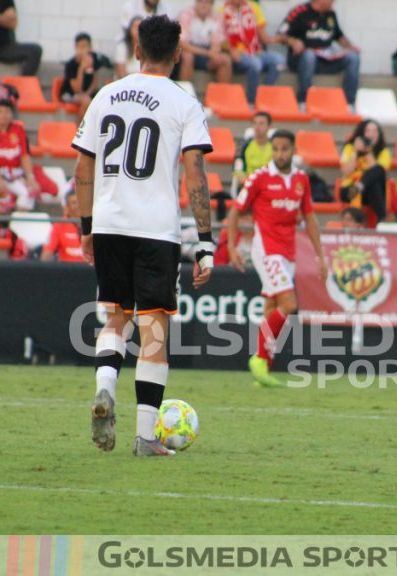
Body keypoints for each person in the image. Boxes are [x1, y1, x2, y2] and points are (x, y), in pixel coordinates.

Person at [71, 15, 215, 457]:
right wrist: (205, 241)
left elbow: (82, 169)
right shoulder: (183, 102)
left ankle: (105, 389)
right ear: (177, 55)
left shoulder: (106, 95)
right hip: (156, 230)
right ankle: (145, 437)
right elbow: (195, 171)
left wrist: (87, 228)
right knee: (154, 332)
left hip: (111, 223)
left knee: (115, 318)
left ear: (137, 50)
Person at [226, 129, 325, 388]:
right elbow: (236, 213)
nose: (281, 153)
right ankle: (259, 358)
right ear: (272, 150)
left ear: (293, 150)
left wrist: (320, 256)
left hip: (288, 252)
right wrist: (232, 247)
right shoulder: (259, 178)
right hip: (266, 249)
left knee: (272, 307)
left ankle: (263, 371)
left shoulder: (301, 180)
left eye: (285, 149)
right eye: (276, 149)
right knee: (289, 304)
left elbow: (310, 218)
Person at [282, 0, 361, 108]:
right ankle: (303, 101)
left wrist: (350, 47)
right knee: (309, 55)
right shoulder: (300, 11)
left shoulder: (330, 14)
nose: (333, 3)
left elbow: (338, 35)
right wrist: (293, 42)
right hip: (301, 60)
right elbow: (281, 34)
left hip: (325, 58)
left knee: (353, 57)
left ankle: (348, 103)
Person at [0, 99, 40, 211]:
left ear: (12, 115)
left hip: (12, 173)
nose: (4, 115)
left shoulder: (19, 130)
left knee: (29, 192)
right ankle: (5, 224)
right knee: (4, 197)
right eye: (0, 112)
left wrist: (30, 177)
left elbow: (25, 155)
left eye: (7, 112)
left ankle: (18, 221)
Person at [221, 0, 285, 105]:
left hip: (254, 51)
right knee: (255, 64)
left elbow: (263, 36)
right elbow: (219, 37)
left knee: (279, 61)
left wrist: (283, 38)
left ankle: (264, 94)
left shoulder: (253, 7)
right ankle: (252, 101)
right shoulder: (221, 10)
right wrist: (231, 50)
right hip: (237, 53)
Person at [339, 120, 391, 227]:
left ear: (379, 134)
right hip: (349, 190)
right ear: (361, 133)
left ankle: (361, 185)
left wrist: (367, 152)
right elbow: (346, 172)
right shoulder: (349, 148)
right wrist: (356, 152)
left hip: (367, 191)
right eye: (368, 131)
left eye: (375, 131)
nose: (371, 134)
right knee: (373, 184)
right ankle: (383, 219)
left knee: (376, 178)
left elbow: (379, 172)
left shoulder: (384, 152)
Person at [60, 34, 112, 125]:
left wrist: (88, 93)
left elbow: (94, 80)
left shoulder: (93, 60)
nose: (82, 50)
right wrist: (81, 68)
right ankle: (80, 131)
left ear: (90, 48)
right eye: (80, 47)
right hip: (70, 93)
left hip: (86, 93)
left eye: (85, 46)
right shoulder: (71, 65)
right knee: (86, 101)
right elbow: (76, 88)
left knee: (101, 100)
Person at [178, 0, 232, 84]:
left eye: (207, 2)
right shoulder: (186, 15)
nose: (203, 5)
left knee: (225, 59)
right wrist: (207, 53)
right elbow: (182, 44)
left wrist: (214, 53)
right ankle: (184, 93)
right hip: (191, 50)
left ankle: (220, 95)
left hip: (207, 51)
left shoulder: (217, 17)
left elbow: (218, 42)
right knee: (188, 56)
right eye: (200, 2)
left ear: (212, 4)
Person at [42, 189, 84, 262]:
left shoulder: (94, 224)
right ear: (66, 207)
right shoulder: (59, 226)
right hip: (67, 270)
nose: (78, 206)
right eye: (74, 203)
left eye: (80, 202)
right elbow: (47, 253)